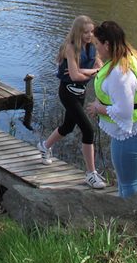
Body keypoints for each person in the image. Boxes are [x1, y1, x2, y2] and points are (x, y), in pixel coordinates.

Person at [86, 20, 137, 198]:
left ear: (107, 44)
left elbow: (124, 111)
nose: (96, 49)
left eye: (97, 44)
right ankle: (130, 221)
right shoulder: (136, 58)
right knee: (130, 182)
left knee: (129, 186)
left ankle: (130, 223)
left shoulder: (120, 73)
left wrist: (98, 107)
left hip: (129, 135)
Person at [38, 16, 107, 189]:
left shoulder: (93, 47)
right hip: (67, 92)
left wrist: (85, 70)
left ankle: (45, 146)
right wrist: (92, 72)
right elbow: (75, 77)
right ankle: (91, 174)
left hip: (81, 93)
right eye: (85, 32)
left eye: (91, 32)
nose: (89, 35)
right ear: (77, 32)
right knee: (88, 130)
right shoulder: (70, 48)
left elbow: (103, 69)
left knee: (68, 127)